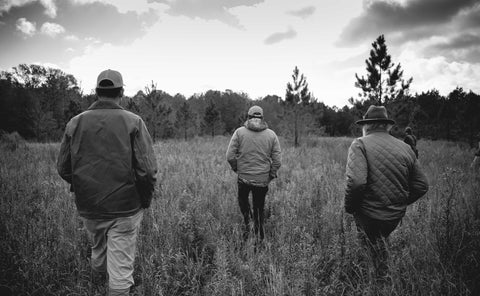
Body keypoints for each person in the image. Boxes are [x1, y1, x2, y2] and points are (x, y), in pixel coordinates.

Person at [57, 69, 158, 296]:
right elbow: (148, 170)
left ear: (97, 92)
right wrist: (145, 199)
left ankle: (99, 284)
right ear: (121, 92)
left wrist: (84, 185)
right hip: (125, 207)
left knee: (99, 248)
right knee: (121, 268)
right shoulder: (133, 122)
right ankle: (115, 288)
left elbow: (63, 168)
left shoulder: (75, 122)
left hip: (89, 206)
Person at [344, 105, 429, 278]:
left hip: (368, 215)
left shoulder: (359, 144)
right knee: (382, 244)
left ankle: (371, 283)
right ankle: (386, 279)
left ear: (366, 126)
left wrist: (350, 208)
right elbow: (422, 185)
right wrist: (399, 202)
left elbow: (356, 182)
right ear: (386, 125)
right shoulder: (405, 148)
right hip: (394, 216)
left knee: (367, 253)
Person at [226, 106, 281, 242]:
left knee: (244, 203)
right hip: (262, 180)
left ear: (248, 116)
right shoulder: (271, 135)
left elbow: (230, 156)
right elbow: (277, 161)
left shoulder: (239, 132)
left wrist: (236, 169)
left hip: (243, 178)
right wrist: (270, 175)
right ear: (262, 117)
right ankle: (259, 236)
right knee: (259, 208)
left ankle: (247, 225)